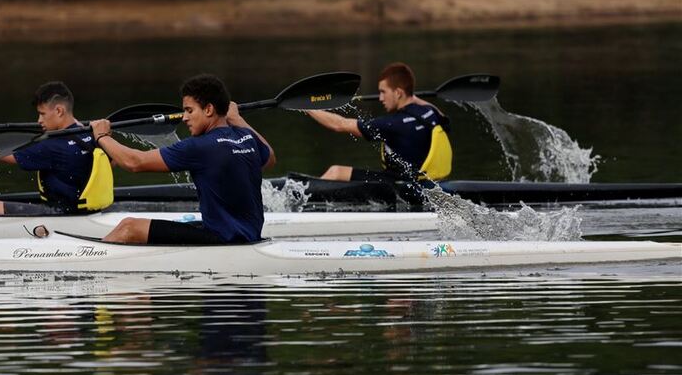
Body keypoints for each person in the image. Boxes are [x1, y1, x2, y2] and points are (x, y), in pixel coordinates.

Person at [89, 74, 275, 244]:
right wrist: (236, 119)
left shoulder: (199, 146)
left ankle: (87, 261)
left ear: (209, 109)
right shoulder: (247, 137)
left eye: (189, 110)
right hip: (249, 235)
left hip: (220, 239)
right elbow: (269, 158)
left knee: (129, 227)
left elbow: (134, 162)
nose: (184, 118)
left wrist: (102, 136)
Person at [0, 81, 112, 215]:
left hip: (61, 215)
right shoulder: (94, 134)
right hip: (86, 208)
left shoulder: (51, 147)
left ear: (59, 111)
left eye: (42, 114)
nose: (39, 121)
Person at [305, 62, 452, 182]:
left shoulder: (391, 124)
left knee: (335, 172)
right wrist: (410, 97)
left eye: (383, 92)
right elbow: (442, 117)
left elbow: (339, 124)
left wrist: (307, 106)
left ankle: (303, 210)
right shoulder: (430, 112)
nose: (381, 98)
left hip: (397, 187)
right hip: (423, 182)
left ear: (398, 92)